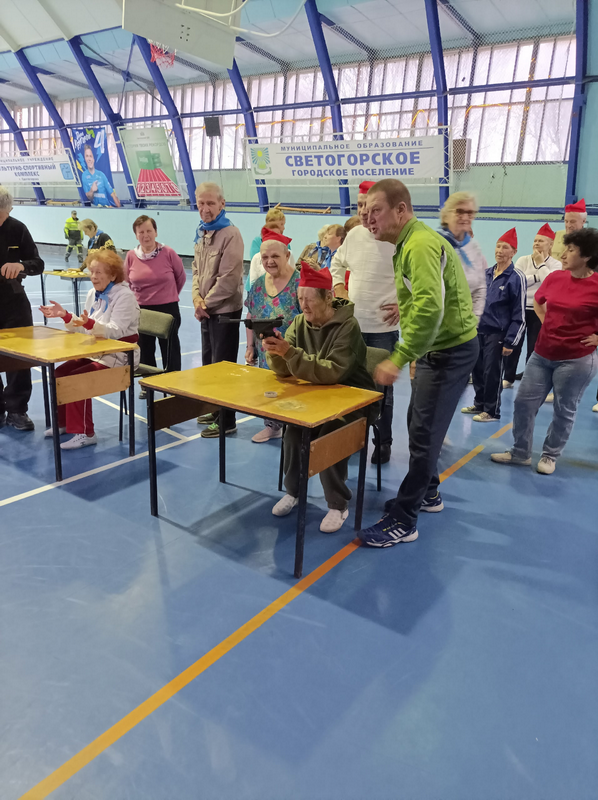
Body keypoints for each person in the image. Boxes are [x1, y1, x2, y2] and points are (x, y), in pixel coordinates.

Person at [357, 179, 479, 548]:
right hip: (438, 348)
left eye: (375, 211)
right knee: (417, 424)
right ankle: (428, 493)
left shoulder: (419, 244)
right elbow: (427, 295)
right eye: (364, 211)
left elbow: (430, 308)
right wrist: (405, 306)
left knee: (424, 435)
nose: (367, 218)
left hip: (449, 352)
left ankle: (404, 519)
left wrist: (399, 357)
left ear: (401, 210)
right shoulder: (410, 242)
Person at [263, 262, 378, 533]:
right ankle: (294, 491)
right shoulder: (299, 322)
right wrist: (275, 351)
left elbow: (334, 372)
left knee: (329, 434)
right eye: (300, 298)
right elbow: (284, 370)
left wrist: (290, 353)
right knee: (294, 431)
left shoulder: (348, 326)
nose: (303, 305)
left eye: (309, 299)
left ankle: (338, 504)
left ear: (328, 298)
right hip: (317, 397)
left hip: (354, 400)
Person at [491, 228, 598, 474]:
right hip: (542, 354)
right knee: (523, 403)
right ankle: (520, 452)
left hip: (575, 360)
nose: (563, 254)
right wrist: (548, 322)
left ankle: (550, 455)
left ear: (587, 256)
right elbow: (539, 302)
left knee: (564, 409)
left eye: (571, 250)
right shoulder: (555, 278)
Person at [40, 249, 140, 450]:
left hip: (120, 355)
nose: (93, 276)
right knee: (60, 373)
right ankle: (64, 423)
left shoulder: (125, 296)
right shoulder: (93, 293)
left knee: (79, 379)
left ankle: (86, 433)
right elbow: (85, 327)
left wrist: (88, 324)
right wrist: (66, 315)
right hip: (96, 352)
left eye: (98, 272)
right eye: (91, 271)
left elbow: (115, 331)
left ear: (112, 275)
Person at [331, 180, 400, 465]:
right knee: (349, 386)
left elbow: (419, 277)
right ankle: (352, 438)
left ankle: (382, 442)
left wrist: (405, 304)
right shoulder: (355, 236)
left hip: (384, 329)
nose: (362, 212)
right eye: (359, 205)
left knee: (382, 391)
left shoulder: (396, 238)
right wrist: (339, 287)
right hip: (353, 327)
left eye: (368, 206)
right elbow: (337, 263)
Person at [192, 182, 244, 439]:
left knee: (223, 369)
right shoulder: (202, 232)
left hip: (224, 312)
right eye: (201, 203)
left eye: (211, 203)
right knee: (209, 367)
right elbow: (196, 270)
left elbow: (229, 279)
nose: (205, 208)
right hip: (207, 311)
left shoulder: (230, 234)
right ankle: (215, 410)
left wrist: (205, 304)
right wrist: (196, 298)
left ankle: (227, 420)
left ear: (222, 204)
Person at [461, 228, 525, 423]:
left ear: (513, 252)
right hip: (478, 331)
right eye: (498, 246)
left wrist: (510, 341)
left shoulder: (516, 278)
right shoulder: (486, 274)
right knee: (478, 370)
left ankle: (492, 410)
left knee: (492, 373)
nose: (499, 251)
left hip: (498, 334)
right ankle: (479, 403)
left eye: (505, 247)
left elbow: (520, 314)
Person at [245, 236, 301, 443]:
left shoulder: (300, 283)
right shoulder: (258, 285)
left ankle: (297, 430)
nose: (269, 261)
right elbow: (251, 316)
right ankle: (272, 426)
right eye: (265, 257)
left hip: (295, 353)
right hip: (266, 353)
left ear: (287, 255)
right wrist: (250, 346)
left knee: (295, 393)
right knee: (270, 391)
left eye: (275, 256)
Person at [0, 187, 44, 432]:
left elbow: (38, 263)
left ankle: (17, 410)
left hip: (14, 302)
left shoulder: (18, 229)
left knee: (18, 358)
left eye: (2, 214)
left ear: (9, 210)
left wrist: (21, 266)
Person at [123, 215, 186, 388]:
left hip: (168, 308)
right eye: (141, 232)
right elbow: (126, 282)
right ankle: (148, 385)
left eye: (149, 231)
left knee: (170, 348)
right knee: (144, 349)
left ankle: (173, 384)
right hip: (142, 310)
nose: (146, 235)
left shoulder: (169, 253)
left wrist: (168, 295)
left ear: (156, 232)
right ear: (136, 235)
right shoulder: (131, 256)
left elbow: (180, 278)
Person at [503, 223, 561, 388]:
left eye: (541, 241)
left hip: (540, 310)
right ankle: (508, 377)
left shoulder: (556, 264)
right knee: (514, 344)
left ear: (550, 244)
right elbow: (517, 281)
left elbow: (550, 282)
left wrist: (540, 265)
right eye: (535, 241)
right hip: (520, 308)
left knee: (534, 347)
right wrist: (538, 277)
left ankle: (530, 378)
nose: (536, 244)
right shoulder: (523, 260)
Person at [437, 191, 487, 320]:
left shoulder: (474, 247)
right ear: (446, 216)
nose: (465, 217)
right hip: (437, 323)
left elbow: (480, 287)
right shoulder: (435, 245)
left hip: (466, 324)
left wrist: (474, 320)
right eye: (459, 211)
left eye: (470, 213)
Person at [81, 143, 121, 208]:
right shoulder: (84, 175)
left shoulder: (101, 175)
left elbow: (112, 194)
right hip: (95, 208)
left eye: (90, 156)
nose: (89, 159)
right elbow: (89, 197)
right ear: (85, 158)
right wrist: (92, 190)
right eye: (87, 156)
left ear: (93, 159)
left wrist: (119, 209)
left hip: (106, 208)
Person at [552, 199, 586, 263]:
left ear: (583, 221)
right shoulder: (556, 236)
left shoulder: (590, 241)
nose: (568, 225)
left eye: (572, 222)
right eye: (566, 221)